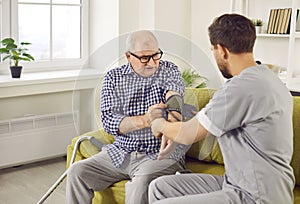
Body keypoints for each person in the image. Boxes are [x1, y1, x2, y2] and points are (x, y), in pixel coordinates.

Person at [149, 14, 295, 204]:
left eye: (213, 50)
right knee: (160, 187)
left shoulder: (239, 87)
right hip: (242, 184)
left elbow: (186, 134)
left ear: (222, 50)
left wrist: (158, 123)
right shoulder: (268, 78)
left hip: (255, 196)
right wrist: (201, 120)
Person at [66, 30, 187, 204]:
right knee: (77, 171)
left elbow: (175, 95)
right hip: (120, 153)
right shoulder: (113, 78)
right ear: (129, 56)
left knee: (142, 182)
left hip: (158, 155)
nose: (152, 63)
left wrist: (173, 123)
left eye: (156, 55)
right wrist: (147, 119)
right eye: (144, 58)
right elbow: (109, 122)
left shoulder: (169, 69)